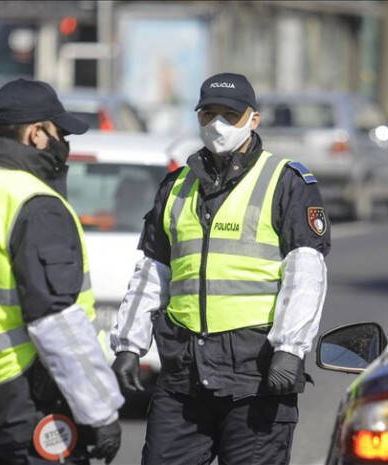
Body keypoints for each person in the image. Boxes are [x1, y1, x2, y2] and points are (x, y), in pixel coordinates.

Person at [111, 72, 330, 465]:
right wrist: (129, 345)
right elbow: (152, 271)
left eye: (230, 114)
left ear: (253, 119)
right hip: (184, 376)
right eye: (209, 114)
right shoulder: (176, 186)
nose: (218, 125)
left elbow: (306, 274)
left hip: (256, 376)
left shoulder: (285, 182)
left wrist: (290, 349)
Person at [0, 79, 124, 465]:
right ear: (36, 134)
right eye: (59, 132)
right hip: (29, 397)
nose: (63, 144)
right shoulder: (33, 202)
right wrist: (100, 411)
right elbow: (55, 317)